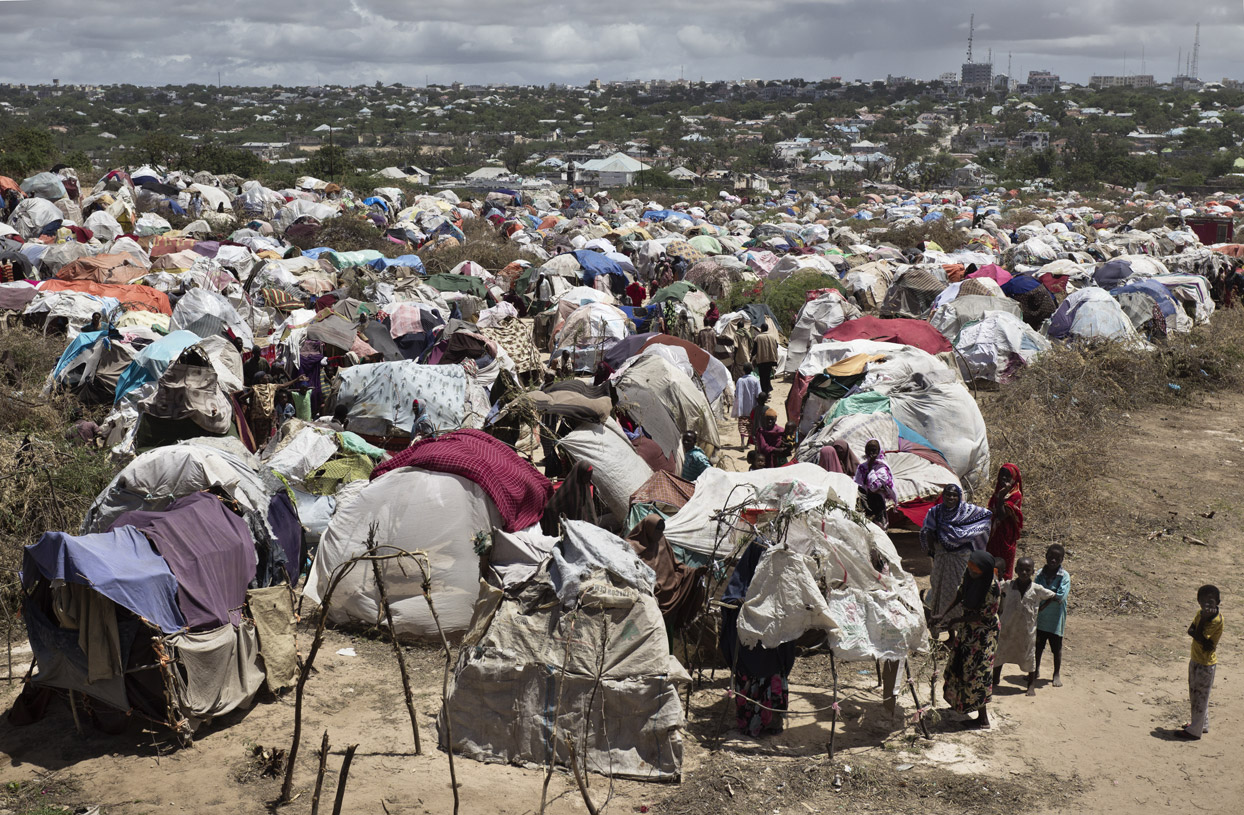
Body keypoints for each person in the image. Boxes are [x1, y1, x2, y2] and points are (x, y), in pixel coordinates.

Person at [936, 550, 1001, 728]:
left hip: (984, 634)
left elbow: (984, 616)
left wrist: (955, 620)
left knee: (977, 672)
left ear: (984, 572)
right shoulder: (970, 572)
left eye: (975, 571)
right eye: (970, 568)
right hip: (968, 629)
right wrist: (943, 613)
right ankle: (960, 704)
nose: (971, 572)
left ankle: (983, 719)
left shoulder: (992, 587)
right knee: (960, 665)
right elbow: (960, 593)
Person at [920, 484, 992, 621]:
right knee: (937, 586)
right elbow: (927, 530)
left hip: (960, 558)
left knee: (957, 588)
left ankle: (955, 623)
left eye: (954, 495)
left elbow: (986, 516)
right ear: (943, 496)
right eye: (948, 494)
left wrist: (967, 537)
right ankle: (939, 622)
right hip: (941, 557)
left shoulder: (967, 511)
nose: (951, 498)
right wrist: (934, 549)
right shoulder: (935, 512)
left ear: (959, 497)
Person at [628, 514, 708, 632]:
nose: (659, 534)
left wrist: (694, 572)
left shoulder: (661, 540)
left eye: (661, 531)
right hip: (649, 595)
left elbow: (675, 564)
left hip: (670, 591)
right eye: (657, 531)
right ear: (648, 529)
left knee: (665, 631)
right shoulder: (631, 548)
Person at [993, 557, 1057, 696]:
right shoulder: (1008, 585)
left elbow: (1052, 596)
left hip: (1027, 630)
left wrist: (1041, 608)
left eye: (1028, 570)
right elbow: (995, 587)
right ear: (1016, 570)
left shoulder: (1036, 589)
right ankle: (995, 678)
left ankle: (1031, 684)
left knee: (1028, 655)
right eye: (1021, 569)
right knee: (1001, 651)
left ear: (1033, 572)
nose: (1024, 572)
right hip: (1007, 628)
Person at [1180, 584, 1222, 739]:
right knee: (1196, 695)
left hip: (1206, 664)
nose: (1206, 605)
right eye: (1203, 601)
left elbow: (1197, 635)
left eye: (1210, 601)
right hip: (1196, 659)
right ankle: (1201, 725)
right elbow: (1191, 631)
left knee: (1200, 697)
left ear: (1218, 602)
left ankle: (1194, 731)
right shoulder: (1200, 613)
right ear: (1198, 602)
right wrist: (1202, 637)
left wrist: (1203, 622)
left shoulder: (1216, 620)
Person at [1033, 544, 1070, 687]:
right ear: (1046, 556)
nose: (1053, 560)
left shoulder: (1064, 576)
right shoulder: (1040, 573)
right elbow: (1035, 591)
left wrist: (1044, 600)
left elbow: (1061, 596)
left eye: (1057, 558)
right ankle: (1035, 670)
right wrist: (1050, 597)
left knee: (1056, 648)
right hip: (1041, 618)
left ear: (1062, 560)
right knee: (1038, 646)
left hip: (1055, 619)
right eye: (1051, 557)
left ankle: (1056, 673)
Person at [986, 464, 1023, 579]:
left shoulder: (1015, 495)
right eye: (1001, 475)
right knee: (990, 561)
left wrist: (1001, 496)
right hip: (994, 533)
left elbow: (1002, 515)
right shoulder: (998, 490)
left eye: (1007, 476)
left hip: (1006, 535)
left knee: (1003, 565)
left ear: (1014, 478)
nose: (1003, 478)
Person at [541, 460, 598, 535]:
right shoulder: (569, 488)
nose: (588, 478)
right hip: (573, 530)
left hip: (586, 530)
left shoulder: (585, 486)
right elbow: (550, 507)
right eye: (587, 475)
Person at [854, 438, 896, 529]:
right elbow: (858, 484)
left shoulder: (882, 468)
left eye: (873, 450)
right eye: (869, 450)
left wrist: (870, 469)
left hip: (876, 501)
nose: (871, 453)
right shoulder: (862, 467)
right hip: (867, 500)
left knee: (877, 526)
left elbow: (875, 486)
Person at [732, 364, 761, 447]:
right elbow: (758, 394)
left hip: (742, 408)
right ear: (752, 370)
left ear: (743, 370)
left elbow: (736, 393)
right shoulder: (755, 380)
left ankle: (742, 442)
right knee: (751, 425)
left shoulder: (740, 380)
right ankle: (749, 441)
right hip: (752, 407)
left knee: (742, 424)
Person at [752, 320, 780, 394]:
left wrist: (752, 357)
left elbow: (754, 350)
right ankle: (767, 391)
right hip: (770, 360)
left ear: (761, 329)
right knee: (767, 376)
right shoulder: (772, 337)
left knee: (762, 376)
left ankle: (764, 392)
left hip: (761, 360)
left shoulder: (758, 337)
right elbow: (776, 346)